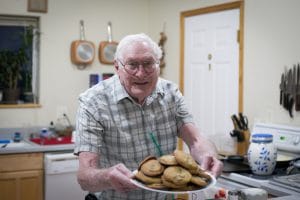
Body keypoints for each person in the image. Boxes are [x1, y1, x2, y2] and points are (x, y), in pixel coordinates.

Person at [74, 33, 223, 200]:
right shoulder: (93, 102)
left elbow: (196, 140)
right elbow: (85, 177)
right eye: (132, 65)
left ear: (158, 65)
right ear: (117, 67)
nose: (141, 73)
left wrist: (208, 157)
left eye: (148, 64)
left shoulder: (170, 93)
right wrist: (107, 177)